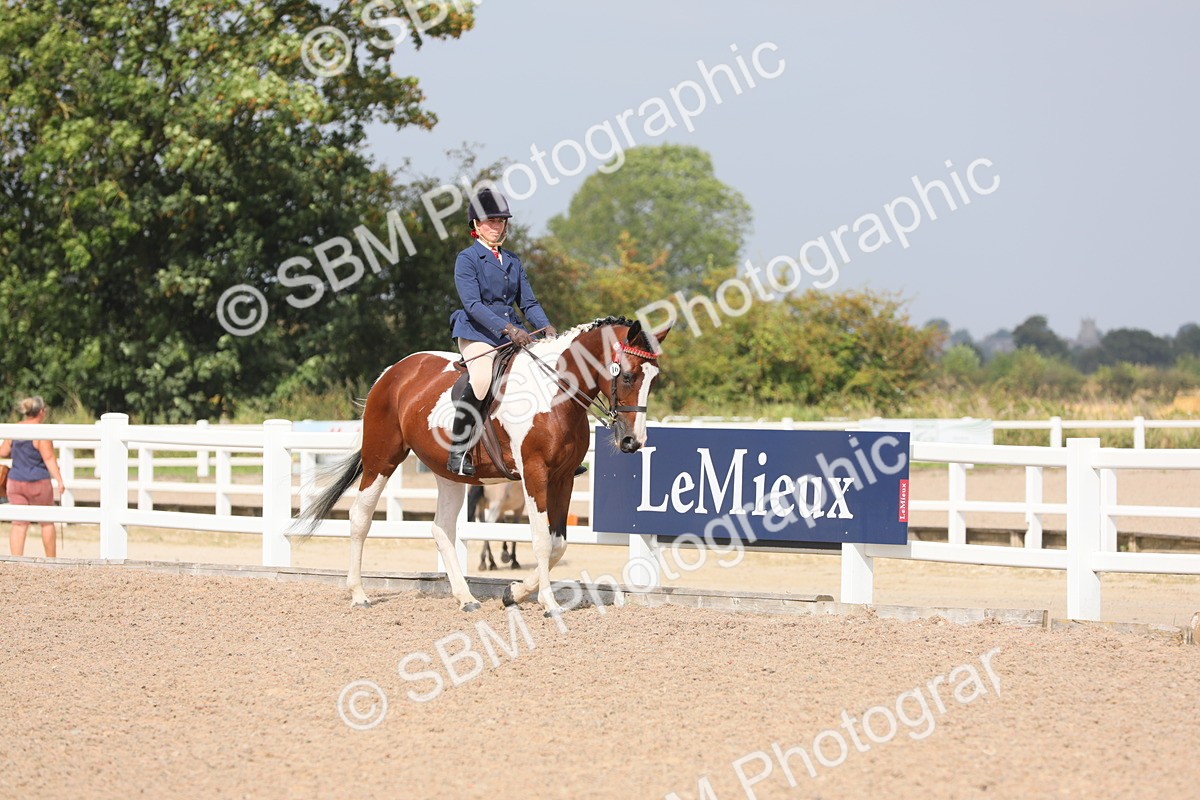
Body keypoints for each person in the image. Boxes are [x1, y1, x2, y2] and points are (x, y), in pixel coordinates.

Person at [446, 188, 556, 476]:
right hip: (478, 332)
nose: (496, 227)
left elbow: (528, 303)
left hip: (513, 333)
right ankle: (458, 450)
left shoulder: (512, 261)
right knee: (482, 379)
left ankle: (553, 448)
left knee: (545, 373)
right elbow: (472, 305)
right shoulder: (467, 259)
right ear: (476, 226)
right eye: (489, 221)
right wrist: (507, 328)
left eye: (500, 221)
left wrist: (547, 329)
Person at [0, 396, 65, 557]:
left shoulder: (15, 429)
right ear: (41, 411)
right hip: (38, 482)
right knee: (46, 522)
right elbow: (49, 458)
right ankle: (51, 560)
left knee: (19, 523)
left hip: (15, 482)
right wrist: (59, 480)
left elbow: (3, 452)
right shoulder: (40, 431)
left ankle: (16, 560)